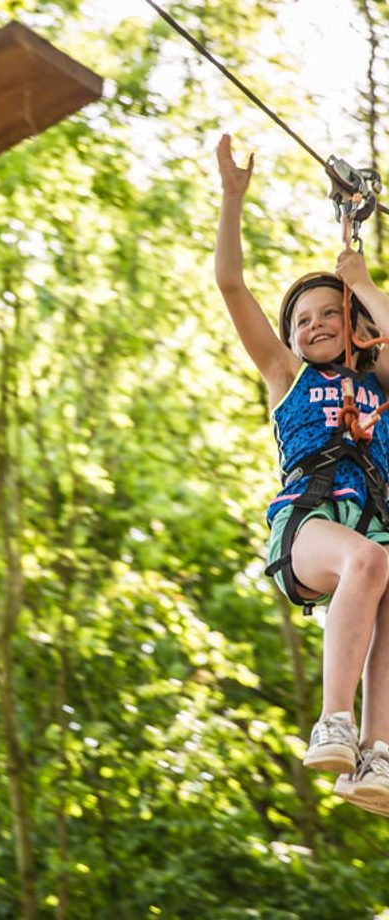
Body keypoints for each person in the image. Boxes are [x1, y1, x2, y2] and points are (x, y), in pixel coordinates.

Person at [215, 132, 389, 815]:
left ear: (355, 330)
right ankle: (334, 720)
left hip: (370, 530)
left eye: (330, 316)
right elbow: (231, 284)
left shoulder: (378, 381)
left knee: (385, 581)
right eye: (303, 320)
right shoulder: (286, 378)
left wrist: (364, 285)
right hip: (309, 526)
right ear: (288, 341)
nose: (316, 325)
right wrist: (233, 201)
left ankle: (374, 758)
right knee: (370, 563)